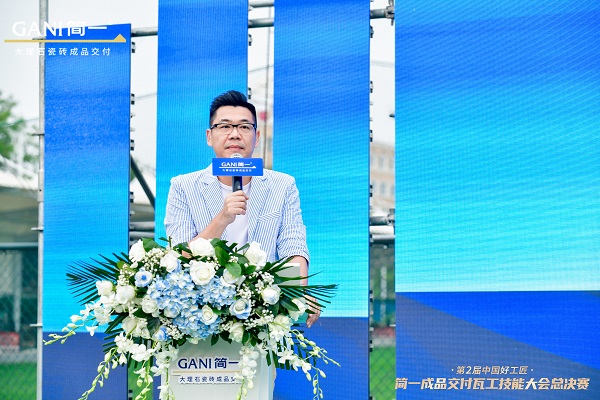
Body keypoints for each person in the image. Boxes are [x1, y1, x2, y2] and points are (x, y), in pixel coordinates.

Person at [164, 90, 320, 327]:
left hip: (263, 315)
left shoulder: (283, 185)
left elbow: (293, 245)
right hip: (201, 315)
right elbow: (178, 256)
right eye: (225, 126)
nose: (235, 134)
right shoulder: (183, 187)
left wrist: (300, 290)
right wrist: (222, 218)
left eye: (244, 127)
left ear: (256, 137)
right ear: (209, 136)